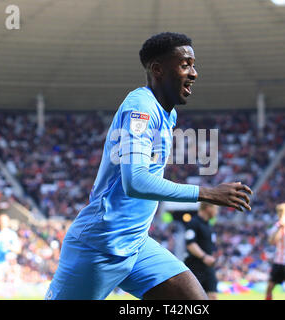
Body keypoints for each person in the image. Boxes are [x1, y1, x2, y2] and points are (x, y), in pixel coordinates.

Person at [45, 32, 253, 300]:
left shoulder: (167, 113)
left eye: (193, 64)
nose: (194, 73)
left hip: (137, 244)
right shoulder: (140, 109)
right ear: (158, 69)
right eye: (185, 65)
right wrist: (207, 193)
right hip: (101, 244)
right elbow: (136, 182)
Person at [184, 202, 219, 300]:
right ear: (208, 208)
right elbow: (190, 244)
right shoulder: (193, 222)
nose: (217, 212)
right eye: (216, 208)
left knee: (213, 296)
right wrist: (204, 257)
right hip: (195, 267)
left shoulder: (208, 225)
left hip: (208, 268)